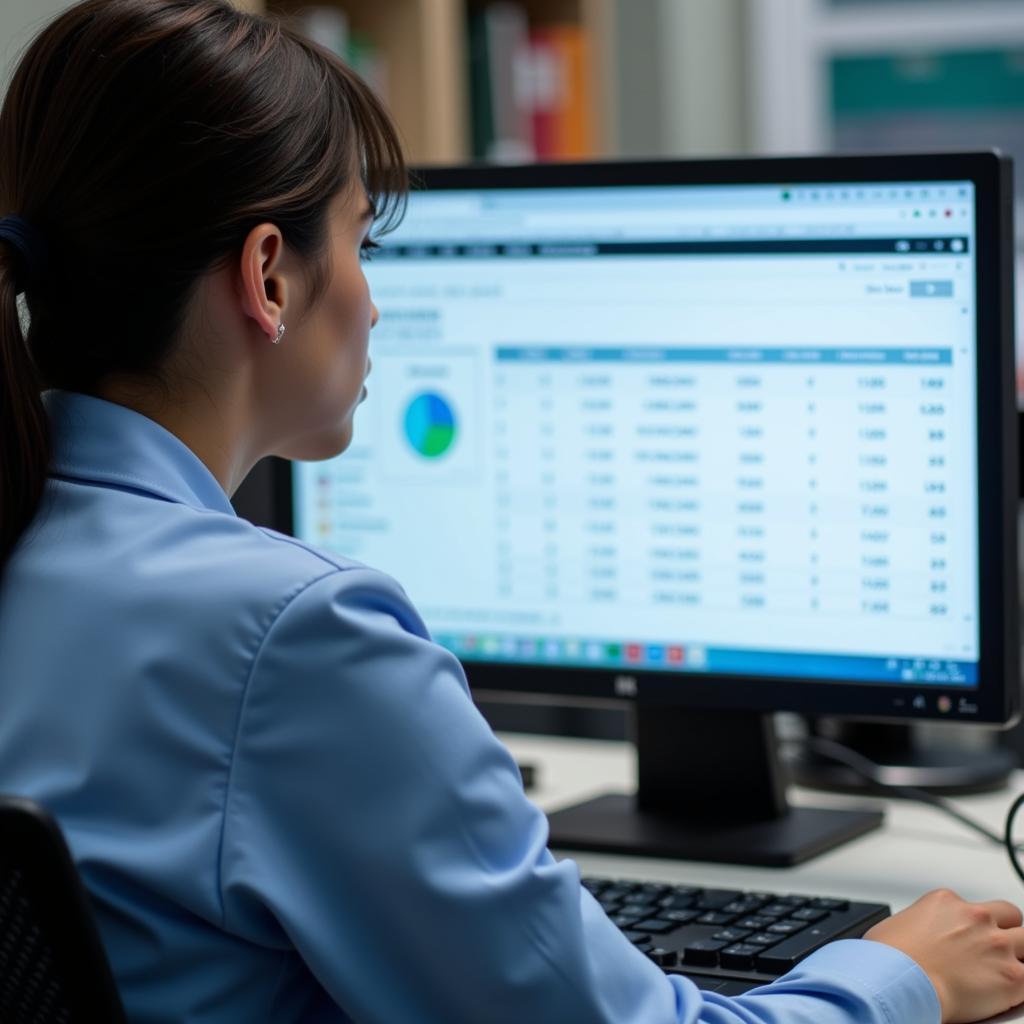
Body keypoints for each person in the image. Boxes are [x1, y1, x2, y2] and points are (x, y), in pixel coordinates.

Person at [0, 1, 1022, 1022]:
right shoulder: (289, 639)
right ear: (269, 274)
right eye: (363, 240)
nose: (373, 299)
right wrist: (902, 978)